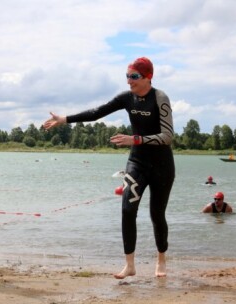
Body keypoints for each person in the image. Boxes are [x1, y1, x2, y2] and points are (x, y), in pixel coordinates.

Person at [43, 57, 175, 279]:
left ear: (148, 77)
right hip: (138, 162)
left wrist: (135, 139)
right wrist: (64, 119)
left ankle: (161, 259)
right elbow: (97, 112)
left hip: (162, 165)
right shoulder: (127, 98)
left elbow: (168, 136)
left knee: (156, 214)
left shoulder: (160, 98)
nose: (129, 81)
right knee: (127, 210)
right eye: (127, 76)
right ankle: (129, 265)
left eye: (134, 76)